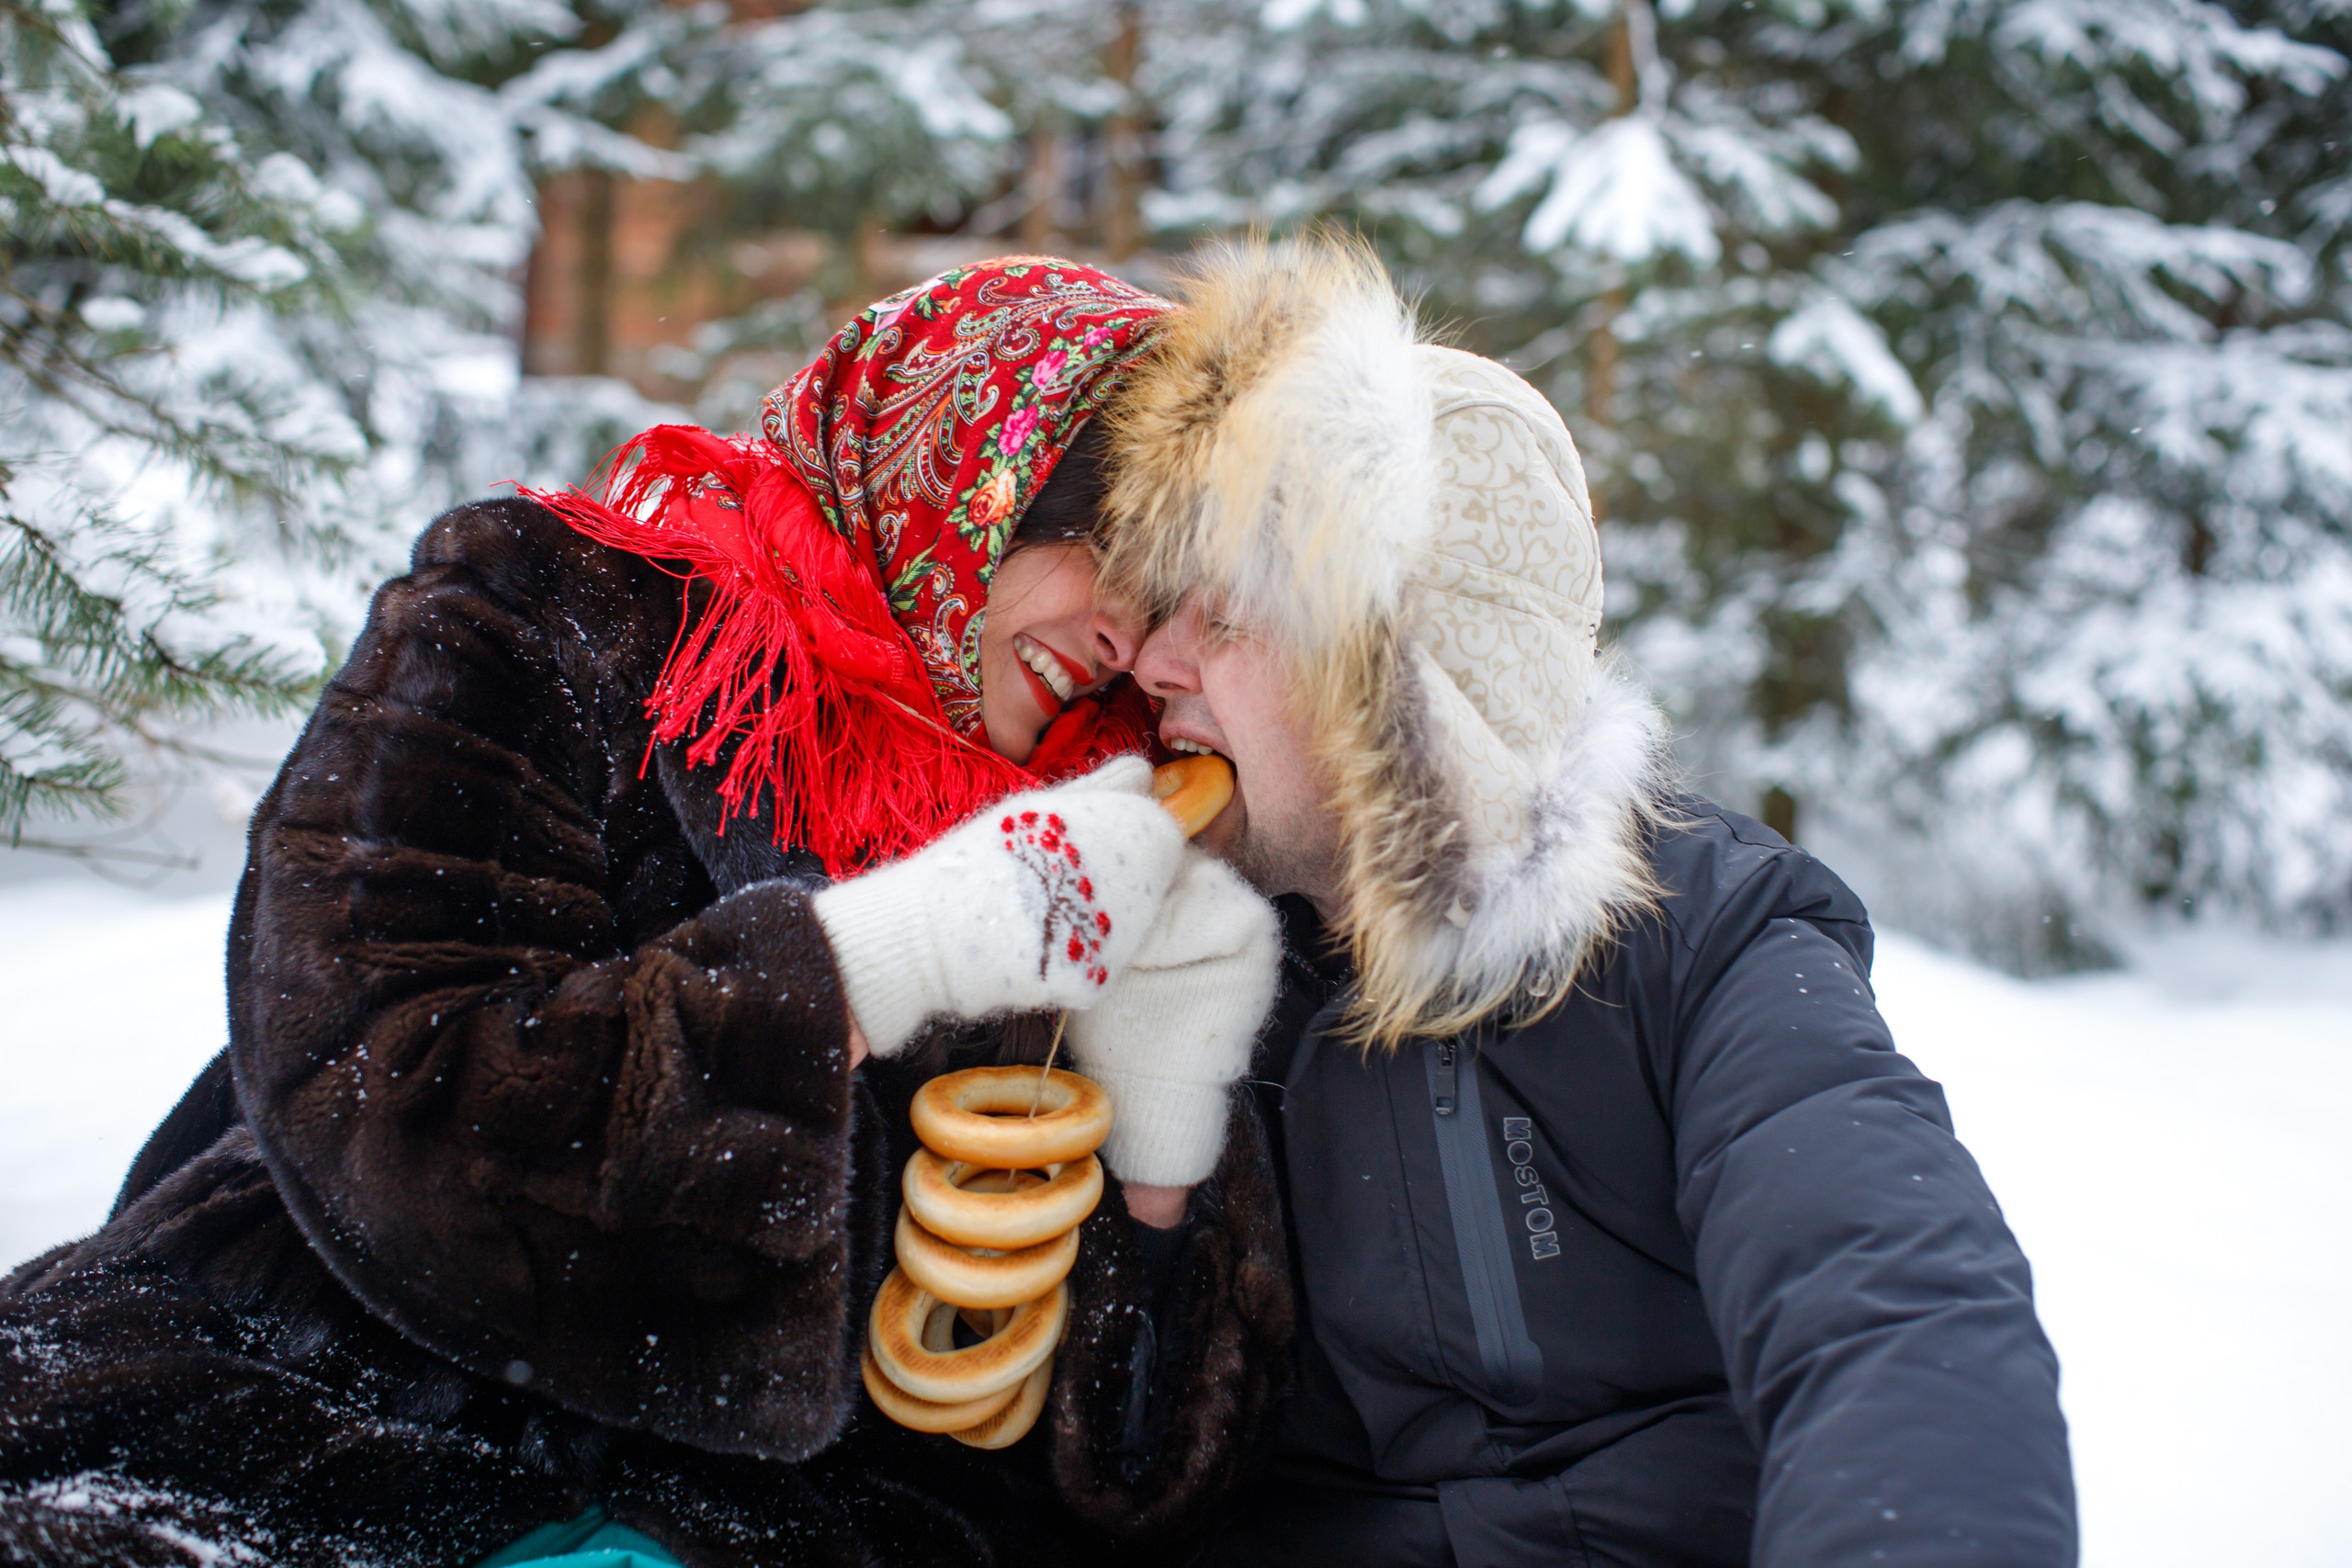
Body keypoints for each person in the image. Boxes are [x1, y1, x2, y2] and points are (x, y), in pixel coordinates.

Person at [0, 259, 1293, 1567]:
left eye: (1170, 590)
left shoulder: (1118, 832)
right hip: (304, 1411)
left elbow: (1132, 1475)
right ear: (972, 468)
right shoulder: (553, 615)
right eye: (1106, 548)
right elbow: (384, 1089)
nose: (1126, 635)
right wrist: (876, 964)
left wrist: (1166, 1151)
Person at [1097, 240, 2077, 1566]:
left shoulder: (1709, 942)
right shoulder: (1185, 973)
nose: (1156, 662)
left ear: (1400, 684)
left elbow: (1894, 1316)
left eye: (1226, 616)